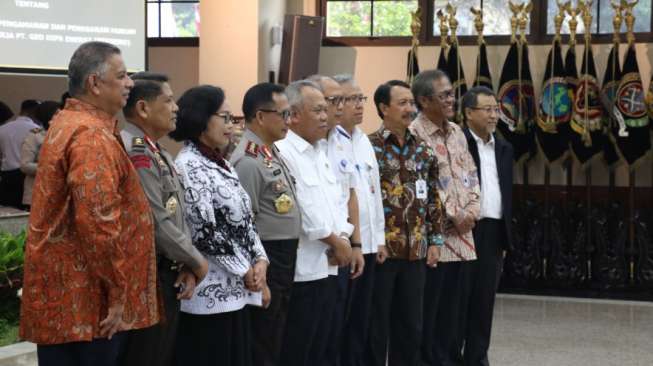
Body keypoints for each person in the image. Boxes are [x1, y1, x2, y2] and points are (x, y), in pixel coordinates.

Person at [19, 41, 159, 366]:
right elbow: (97, 222)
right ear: (95, 84)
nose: (130, 83)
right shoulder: (91, 136)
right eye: (122, 76)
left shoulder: (67, 122)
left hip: (68, 304)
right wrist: (118, 292)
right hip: (91, 307)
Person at [170, 84, 269, 366]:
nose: (230, 125)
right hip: (209, 292)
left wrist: (261, 261)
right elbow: (204, 230)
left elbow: (245, 220)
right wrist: (246, 268)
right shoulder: (190, 165)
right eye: (224, 118)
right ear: (202, 118)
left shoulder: (220, 162)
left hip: (237, 289)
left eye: (232, 119)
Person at [119, 72, 209, 366]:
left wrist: (185, 263)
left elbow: (175, 215)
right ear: (144, 108)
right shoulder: (136, 152)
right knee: (147, 355)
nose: (176, 108)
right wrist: (196, 261)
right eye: (168, 101)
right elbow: (155, 220)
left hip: (169, 270)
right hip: (149, 275)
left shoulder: (157, 152)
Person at [366, 80, 445, 366]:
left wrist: (435, 240)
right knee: (376, 325)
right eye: (402, 103)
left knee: (411, 326)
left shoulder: (424, 150)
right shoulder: (368, 148)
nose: (410, 109)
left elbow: (434, 196)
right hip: (382, 252)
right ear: (383, 108)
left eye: (411, 103)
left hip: (416, 252)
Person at [276, 80, 353, 366]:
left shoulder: (319, 151)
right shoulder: (284, 152)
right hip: (303, 270)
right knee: (297, 350)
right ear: (294, 115)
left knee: (324, 347)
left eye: (326, 109)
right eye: (318, 110)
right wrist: (335, 241)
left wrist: (344, 239)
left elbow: (336, 202)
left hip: (330, 265)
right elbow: (302, 210)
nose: (326, 116)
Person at [410, 69, 481, 366]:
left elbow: (470, 176)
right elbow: (421, 185)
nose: (452, 100)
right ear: (425, 101)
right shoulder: (414, 133)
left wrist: (472, 211)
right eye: (444, 95)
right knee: (431, 311)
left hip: (464, 238)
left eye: (452, 93)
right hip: (434, 238)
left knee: (456, 311)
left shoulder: (457, 132)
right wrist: (454, 216)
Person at [230, 82, 301, 366]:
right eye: (283, 114)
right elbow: (243, 224)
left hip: (282, 255)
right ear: (260, 116)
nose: (289, 121)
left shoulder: (269, 152)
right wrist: (260, 278)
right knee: (264, 337)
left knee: (277, 334)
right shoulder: (248, 160)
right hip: (267, 257)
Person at [330, 74, 385, 366]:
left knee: (363, 319)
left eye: (361, 98)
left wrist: (380, 239)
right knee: (343, 319)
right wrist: (353, 241)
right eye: (351, 99)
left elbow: (374, 195)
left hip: (369, 245)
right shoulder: (331, 141)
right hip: (346, 244)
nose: (359, 105)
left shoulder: (363, 140)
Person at [308, 74, 363, 366]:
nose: (340, 107)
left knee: (335, 330)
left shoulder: (341, 140)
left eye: (343, 100)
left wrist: (353, 243)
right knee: (314, 338)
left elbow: (348, 194)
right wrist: (337, 241)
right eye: (333, 101)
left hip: (341, 247)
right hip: (316, 253)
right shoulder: (305, 146)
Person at [461, 86, 513, 366]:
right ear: (468, 113)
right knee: (459, 299)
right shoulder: (459, 143)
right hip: (465, 230)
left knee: (484, 302)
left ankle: (477, 358)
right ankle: (449, 355)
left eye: (496, 109)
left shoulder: (504, 148)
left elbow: (507, 193)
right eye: (488, 109)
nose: (494, 115)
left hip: (493, 232)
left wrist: (505, 238)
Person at [20, 100, 60, 209]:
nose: (61, 117)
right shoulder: (35, 136)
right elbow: (25, 165)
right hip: (37, 193)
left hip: (58, 194)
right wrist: (48, 167)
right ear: (47, 115)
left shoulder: (63, 134)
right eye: (57, 113)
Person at [0, 99, 40, 208]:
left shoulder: (2, 129)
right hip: (26, 177)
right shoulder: (36, 130)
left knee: (8, 213)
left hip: (6, 177)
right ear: (33, 112)